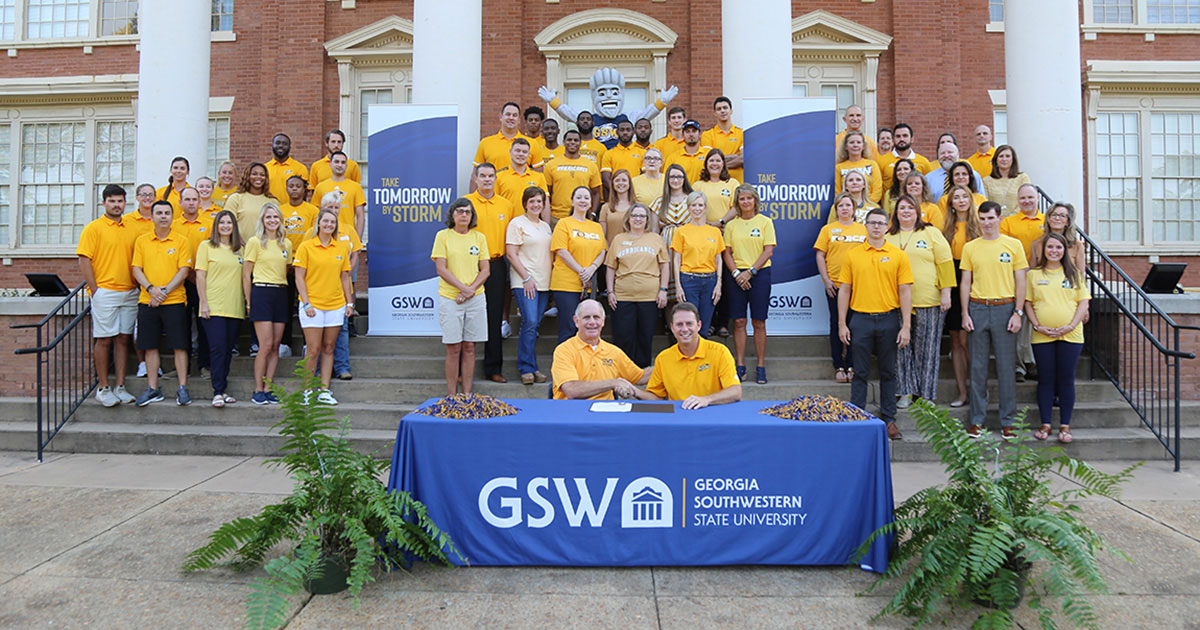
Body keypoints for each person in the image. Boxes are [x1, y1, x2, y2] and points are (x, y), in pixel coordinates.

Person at [838, 207, 912, 440]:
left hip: (889, 319)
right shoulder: (853, 254)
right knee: (859, 372)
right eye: (872, 223)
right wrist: (842, 323)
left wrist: (906, 326)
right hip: (860, 319)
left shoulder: (898, 255)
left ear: (888, 226)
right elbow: (844, 290)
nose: (877, 227)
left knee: (889, 372)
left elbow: (905, 291)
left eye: (881, 223)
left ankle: (889, 419)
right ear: (866, 226)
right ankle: (858, 417)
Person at [960, 201, 1028, 439]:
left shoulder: (1013, 245)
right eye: (983, 219)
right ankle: (977, 421)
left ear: (1000, 218)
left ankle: (1008, 420)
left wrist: (1018, 312)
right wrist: (965, 313)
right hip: (978, 308)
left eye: (991, 218)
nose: (987, 223)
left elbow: (1021, 281)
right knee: (978, 368)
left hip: (1004, 308)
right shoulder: (970, 247)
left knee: (1006, 368)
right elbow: (965, 282)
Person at [886, 195, 955, 408]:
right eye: (901, 208)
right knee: (901, 347)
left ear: (917, 211)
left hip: (929, 300)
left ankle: (925, 395)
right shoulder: (888, 236)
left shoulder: (931, 233)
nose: (906, 211)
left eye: (910, 208)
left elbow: (945, 263)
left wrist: (946, 293)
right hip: (896, 302)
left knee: (929, 349)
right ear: (895, 213)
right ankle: (905, 392)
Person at [1025, 232, 1090, 444]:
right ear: (1044, 250)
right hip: (1042, 335)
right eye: (1050, 247)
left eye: (1058, 248)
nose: (1054, 251)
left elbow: (1083, 303)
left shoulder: (1074, 275)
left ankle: (1065, 425)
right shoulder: (1033, 275)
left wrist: (1070, 325)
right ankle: (1045, 423)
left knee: (1066, 379)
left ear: (1064, 251)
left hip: (1071, 335)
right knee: (1045, 379)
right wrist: (1038, 325)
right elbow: (1027, 302)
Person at [78, 184, 139, 407]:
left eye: (120, 201)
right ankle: (103, 388)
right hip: (105, 291)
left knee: (123, 338)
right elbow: (84, 260)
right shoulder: (93, 228)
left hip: (129, 292)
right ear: (104, 203)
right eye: (112, 201)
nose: (116, 205)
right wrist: (95, 290)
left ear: (125, 203)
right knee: (104, 339)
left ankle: (119, 386)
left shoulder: (131, 228)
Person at [131, 200, 194, 406]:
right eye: (159, 213)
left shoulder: (181, 241)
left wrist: (164, 292)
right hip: (147, 301)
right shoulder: (142, 241)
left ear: (172, 216)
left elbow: (183, 271)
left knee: (180, 346)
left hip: (174, 300)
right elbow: (136, 269)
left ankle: (182, 387)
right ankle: (152, 388)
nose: (163, 216)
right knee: (150, 346)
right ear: (152, 216)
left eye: (167, 212)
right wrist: (151, 290)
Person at [294, 207, 355, 405]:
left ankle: (324, 390)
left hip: (336, 305)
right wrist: (306, 302)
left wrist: (349, 302)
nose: (329, 225)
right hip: (313, 306)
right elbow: (299, 277)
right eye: (325, 221)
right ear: (318, 223)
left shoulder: (341, 248)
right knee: (313, 349)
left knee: (329, 348)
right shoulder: (306, 246)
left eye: (332, 222)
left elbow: (344, 277)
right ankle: (307, 391)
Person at [431, 198, 489, 396]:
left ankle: (466, 394)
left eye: (468, 212)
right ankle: (451, 395)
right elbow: (441, 268)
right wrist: (463, 290)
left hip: (475, 298)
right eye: (460, 211)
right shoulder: (443, 236)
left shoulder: (479, 237)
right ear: (453, 214)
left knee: (470, 347)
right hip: (450, 298)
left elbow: (485, 270)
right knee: (454, 348)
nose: (464, 215)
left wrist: (470, 290)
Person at [465, 163, 515, 383]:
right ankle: (461, 370)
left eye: (491, 176)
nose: (487, 179)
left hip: (496, 264)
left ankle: (493, 368)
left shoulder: (506, 205)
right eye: (482, 176)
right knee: (467, 316)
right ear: (475, 179)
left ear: (496, 179)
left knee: (494, 318)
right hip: (469, 264)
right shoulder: (466, 204)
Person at [722, 184, 776, 384]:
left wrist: (750, 272)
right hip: (736, 276)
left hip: (759, 274)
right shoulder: (731, 225)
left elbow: (768, 250)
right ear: (737, 203)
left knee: (759, 322)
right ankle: (740, 364)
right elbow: (726, 251)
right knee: (738, 322)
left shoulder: (765, 222)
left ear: (755, 201)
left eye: (749, 198)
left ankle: (761, 365)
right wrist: (737, 273)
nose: (746, 202)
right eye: (742, 199)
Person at [605, 203, 669, 367]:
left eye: (642, 216)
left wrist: (663, 290)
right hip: (623, 296)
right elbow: (611, 268)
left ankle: (642, 372)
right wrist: (611, 292)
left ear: (647, 220)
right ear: (628, 219)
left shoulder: (655, 239)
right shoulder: (619, 239)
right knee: (623, 335)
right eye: (635, 216)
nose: (638, 219)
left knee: (645, 336)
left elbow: (664, 265)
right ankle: (623, 371)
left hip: (649, 296)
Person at [552, 299, 655, 400]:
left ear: (603, 321)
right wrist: (613, 383)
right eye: (586, 317)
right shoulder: (564, 350)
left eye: (596, 317)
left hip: (605, 412)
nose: (592, 322)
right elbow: (571, 389)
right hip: (571, 412)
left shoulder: (614, 352)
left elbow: (640, 377)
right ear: (576, 321)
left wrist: (666, 363)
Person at [646, 302, 742, 409]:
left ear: (699, 325)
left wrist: (706, 399)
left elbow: (735, 391)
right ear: (672, 328)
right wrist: (634, 391)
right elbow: (656, 397)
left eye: (689, 323)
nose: (685, 329)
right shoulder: (663, 358)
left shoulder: (720, 352)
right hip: (679, 417)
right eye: (679, 324)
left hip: (712, 415)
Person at [815, 192, 867, 383]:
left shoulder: (863, 230)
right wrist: (826, 280)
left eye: (848, 205)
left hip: (859, 286)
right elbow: (820, 255)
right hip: (835, 285)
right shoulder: (828, 230)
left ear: (854, 209)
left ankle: (852, 364)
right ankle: (839, 365)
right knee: (837, 322)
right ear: (836, 210)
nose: (844, 208)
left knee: (856, 326)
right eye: (841, 205)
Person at [243, 203, 293, 404]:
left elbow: (287, 268)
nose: (272, 221)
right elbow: (246, 275)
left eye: (276, 217)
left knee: (275, 345)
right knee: (264, 345)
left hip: (280, 293)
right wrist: (249, 301)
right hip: (261, 292)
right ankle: (258, 389)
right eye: (268, 217)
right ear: (262, 220)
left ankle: (269, 386)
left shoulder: (286, 244)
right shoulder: (255, 242)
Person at [195, 209, 244, 408]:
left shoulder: (240, 249)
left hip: (235, 306)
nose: (225, 226)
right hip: (213, 306)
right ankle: (217, 391)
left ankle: (223, 390)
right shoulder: (206, 246)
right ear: (216, 226)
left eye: (229, 223)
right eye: (222, 222)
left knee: (227, 351)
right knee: (217, 348)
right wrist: (204, 302)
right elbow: (200, 276)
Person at [506, 187, 554, 385]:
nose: (536, 205)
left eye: (539, 201)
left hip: (544, 282)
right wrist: (526, 278)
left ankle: (532, 366)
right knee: (530, 322)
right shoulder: (517, 223)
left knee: (534, 325)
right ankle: (526, 367)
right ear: (525, 203)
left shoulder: (545, 226)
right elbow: (511, 254)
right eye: (532, 201)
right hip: (525, 281)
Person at [1000, 183, 1046, 382]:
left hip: (1041, 277)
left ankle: (1034, 362)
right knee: (1018, 320)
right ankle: (1019, 366)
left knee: (1038, 320)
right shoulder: (1008, 223)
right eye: (1023, 198)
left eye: (1030, 197)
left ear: (1037, 198)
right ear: (1017, 201)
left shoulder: (1047, 221)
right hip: (1015, 277)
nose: (1026, 201)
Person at [942, 185, 983, 407]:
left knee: (969, 340)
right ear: (950, 203)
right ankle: (962, 392)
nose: (960, 200)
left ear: (970, 199)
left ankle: (976, 390)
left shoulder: (979, 227)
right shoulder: (946, 229)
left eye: (964, 196)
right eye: (955, 197)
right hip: (953, 281)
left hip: (976, 281)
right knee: (956, 340)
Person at [550, 186, 607, 342]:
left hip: (588, 284)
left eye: (586, 198)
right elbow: (561, 250)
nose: (583, 201)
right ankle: (565, 365)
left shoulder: (595, 227)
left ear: (591, 203)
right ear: (572, 201)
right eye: (579, 197)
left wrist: (592, 269)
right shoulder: (564, 223)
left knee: (588, 328)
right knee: (570, 326)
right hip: (566, 284)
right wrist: (582, 271)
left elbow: (602, 251)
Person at [672, 191, 725, 338]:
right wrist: (678, 286)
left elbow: (718, 259)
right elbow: (676, 259)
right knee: (689, 323)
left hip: (710, 281)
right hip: (689, 280)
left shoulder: (714, 232)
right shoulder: (681, 231)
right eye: (693, 205)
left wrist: (718, 284)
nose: (697, 208)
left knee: (705, 324)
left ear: (705, 208)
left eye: (700, 205)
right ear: (688, 208)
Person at [172, 187, 212, 377]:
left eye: (194, 199)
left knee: (204, 324)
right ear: (180, 202)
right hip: (179, 282)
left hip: (202, 281)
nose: (191, 203)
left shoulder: (209, 224)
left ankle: (204, 364)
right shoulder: (173, 226)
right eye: (187, 199)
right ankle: (183, 367)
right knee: (181, 325)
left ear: (199, 202)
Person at [125, 183, 159, 379]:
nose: (147, 198)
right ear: (137, 197)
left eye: (151, 195)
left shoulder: (160, 218)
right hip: (135, 280)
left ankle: (154, 364)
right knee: (139, 328)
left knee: (152, 326)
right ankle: (142, 363)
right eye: (143, 194)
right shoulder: (128, 221)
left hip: (157, 281)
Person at [544, 129, 601, 225]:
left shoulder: (590, 165)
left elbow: (596, 193)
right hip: (557, 217)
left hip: (582, 216)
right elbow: (546, 193)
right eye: (569, 140)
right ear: (564, 142)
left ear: (580, 143)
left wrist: (593, 213)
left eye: (576, 140)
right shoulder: (551, 164)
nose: (572, 142)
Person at [474, 102, 543, 177]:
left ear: (519, 120)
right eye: (508, 114)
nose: (511, 118)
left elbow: (539, 173)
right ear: (500, 117)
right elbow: (476, 175)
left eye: (514, 115)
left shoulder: (532, 143)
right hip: (495, 188)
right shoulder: (485, 143)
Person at [311, 151, 366, 242]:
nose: (340, 165)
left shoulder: (355, 187)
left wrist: (357, 239)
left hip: (347, 236)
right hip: (325, 236)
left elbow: (360, 216)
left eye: (343, 162)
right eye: (336, 162)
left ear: (346, 166)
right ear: (330, 164)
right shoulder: (320, 187)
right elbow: (316, 214)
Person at [224, 162, 276, 242]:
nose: (258, 177)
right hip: (239, 249)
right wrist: (241, 244)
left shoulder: (273, 202)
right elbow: (227, 224)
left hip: (265, 249)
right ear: (247, 176)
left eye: (262, 175)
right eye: (254, 174)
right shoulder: (235, 198)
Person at [496, 138, 549, 214]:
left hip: (530, 224)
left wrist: (545, 225)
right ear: (510, 152)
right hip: (506, 223)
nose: (521, 154)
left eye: (524, 152)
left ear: (528, 154)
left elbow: (545, 204)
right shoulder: (498, 177)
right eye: (517, 151)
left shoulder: (539, 177)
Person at [692, 148, 740, 229]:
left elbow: (736, 207)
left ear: (723, 164)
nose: (714, 163)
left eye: (718, 161)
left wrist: (721, 222)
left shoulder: (732, 183)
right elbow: (691, 208)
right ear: (706, 164)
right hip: (703, 229)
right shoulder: (697, 186)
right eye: (711, 160)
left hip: (727, 230)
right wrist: (706, 224)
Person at [701, 96, 745, 184]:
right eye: (719, 109)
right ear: (715, 113)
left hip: (738, 183)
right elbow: (708, 160)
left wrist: (718, 165)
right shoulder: (707, 135)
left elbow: (743, 159)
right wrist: (735, 156)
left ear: (731, 111)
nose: (722, 111)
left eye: (725, 108)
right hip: (716, 184)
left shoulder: (741, 133)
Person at [1030, 202, 1086, 271]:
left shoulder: (1077, 246)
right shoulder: (1036, 244)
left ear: (1067, 221)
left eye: (1062, 216)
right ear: (1048, 219)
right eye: (1054, 215)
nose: (1057, 218)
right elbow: (1032, 273)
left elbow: (1081, 275)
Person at [880, 122, 934, 192]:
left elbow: (929, 186)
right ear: (893, 139)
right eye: (898, 136)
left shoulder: (923, 162)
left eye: (905, 136)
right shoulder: (881, 161)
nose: (901, 139)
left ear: (912, 139)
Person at [983, 145, 1033, 216]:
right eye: (1001, 156)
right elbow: (985, 202)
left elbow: (1027, 200)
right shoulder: (986, 181)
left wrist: (1013, 216)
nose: (1004, 159)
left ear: (1013, 159)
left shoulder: (1023, 178)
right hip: (995, 221)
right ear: (996, 160)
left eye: (1007, 156)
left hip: (1018, 219)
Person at [835, 130, 883, 204]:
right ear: (846, 146)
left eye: (858, 142)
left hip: (869, 207)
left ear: (863, 146)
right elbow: (837, 192)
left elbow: (877, 190)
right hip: (847, 208)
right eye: (851, 142)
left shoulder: (872, 164)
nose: (855, 145)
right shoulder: (839, 167)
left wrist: (866, 205)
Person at [600, 120, 644, 199]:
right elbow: (606, 179)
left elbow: (644, 176)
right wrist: (618, 193)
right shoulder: (609, 153)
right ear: (617, 132)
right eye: (622, 130)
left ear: (633, 132)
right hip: (616, 197)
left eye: (628, 130)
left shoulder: (642, 152)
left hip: (636, 196)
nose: (625, 132)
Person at [599, 169, 639, 245]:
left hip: (633, 251)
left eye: (624, 180)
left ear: (629, 183)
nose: (621, 183)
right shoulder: (605, 208)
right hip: (612, 250)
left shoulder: (638, 207)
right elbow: (602, 236)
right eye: (617, 180)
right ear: (612, 184)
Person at [664, 119, 711, 184]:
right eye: (687, 131)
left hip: (703, 192)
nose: (691, 134)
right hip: (682, 193)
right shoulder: (673, 158)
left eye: (694, 131)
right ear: (682, 135)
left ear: (699, 134)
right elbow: (666, 181)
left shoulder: (708, 154)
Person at [265, 133, 308, 204]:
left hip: (291, 211)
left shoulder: (300, 168)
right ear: (272, 145)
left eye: (284, 143)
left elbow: (304, 195)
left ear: (289, 147)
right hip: (270, 211)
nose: (281, 146)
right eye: (277, 143)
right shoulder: (265, 168)